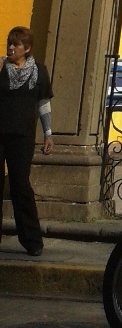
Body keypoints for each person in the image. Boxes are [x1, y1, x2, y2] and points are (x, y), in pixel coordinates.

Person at [0, 26, 53, 257]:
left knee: (20, 186)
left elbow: (43, 103)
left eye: (16, 44)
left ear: (27, 48)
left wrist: (48, 133)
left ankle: (32, 240)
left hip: (22, 136)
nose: (11, 47)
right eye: (9, 43)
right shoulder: (1, 68)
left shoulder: (39, 72)